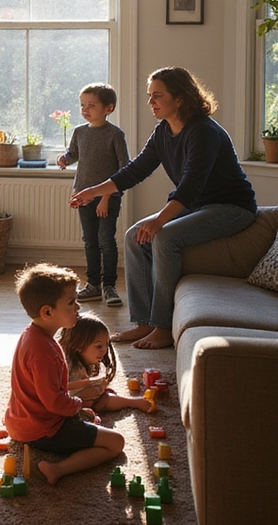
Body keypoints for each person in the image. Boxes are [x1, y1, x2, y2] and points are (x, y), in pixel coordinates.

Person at [70, 66, 257, 350]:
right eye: (150, 96)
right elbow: (135, 171)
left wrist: (160, 220)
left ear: (179, 98)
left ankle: (163, 327)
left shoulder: (203, 131)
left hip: (231, 207)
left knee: (165, 237)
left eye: (157, 96)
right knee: (134, 236)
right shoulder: (163, 131)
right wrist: (93, 192)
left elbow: (191, 184)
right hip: (197, 204)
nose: (150, 102)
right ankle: (144, 322)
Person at [4, 263, 124, 486]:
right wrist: (77, 405)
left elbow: (46, 394)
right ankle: (57, 469)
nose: (78, 306)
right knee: (115, 442)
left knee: (89, 418)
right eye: (71, 303)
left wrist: (76, 411)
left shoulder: (32, 335)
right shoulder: (44, 352)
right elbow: (55, 402)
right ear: (47, 312)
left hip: (21, 421)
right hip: (40, 430)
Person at [57, 83, 129, 307]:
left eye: (91, 105)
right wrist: (65, 159)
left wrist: (106, 197)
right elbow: (74, 153)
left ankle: (109, 286)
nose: (85, 109)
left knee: (106, 241)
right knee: (90, 241)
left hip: (108, 198)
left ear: (108, 108)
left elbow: (124, 169)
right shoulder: (79, 132)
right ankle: (93, 285)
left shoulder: (115, 135)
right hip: (83, 195)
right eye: (82, 105)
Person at [59, 312, 153, 413]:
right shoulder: (67, 363)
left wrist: (100, 385)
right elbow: (63, 387)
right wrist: (90, 383)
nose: (104, 350)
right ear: (78, 345)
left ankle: (133, 402)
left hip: (80, 398)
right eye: (99, 346)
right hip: (62, 402)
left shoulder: (84, 359)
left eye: (106, 345)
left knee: (104, 394)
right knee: (93, 395)